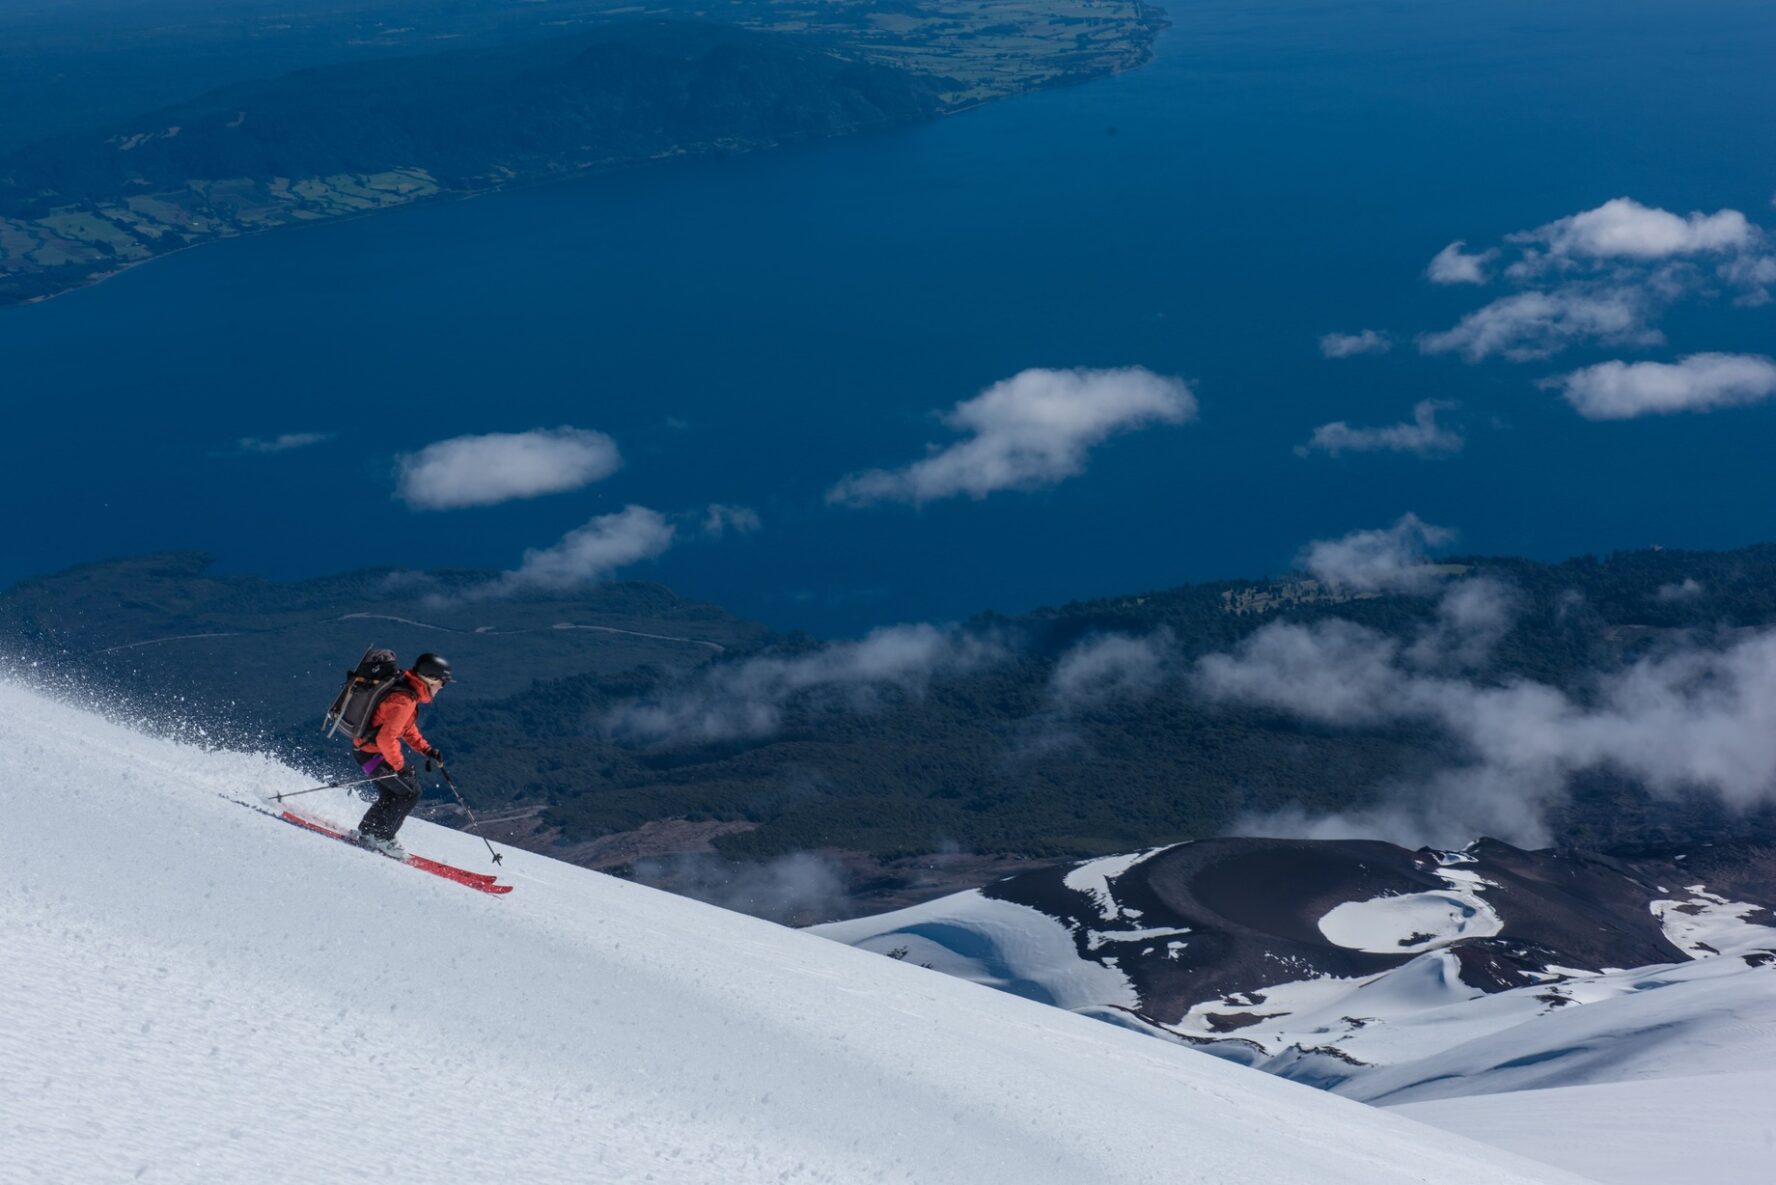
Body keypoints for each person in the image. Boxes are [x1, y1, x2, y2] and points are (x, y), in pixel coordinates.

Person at [350, 652, 453, 857]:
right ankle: (382, 838)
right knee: (409, 792)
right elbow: (386, 739)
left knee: (393, 793)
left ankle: (368, 832)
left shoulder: (407, 692)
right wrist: (400, 767)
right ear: (430, 679)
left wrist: (426, 749)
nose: (442, 687)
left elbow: (406, 728)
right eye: (442, 683)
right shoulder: (404, 700)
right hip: (372, 755)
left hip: (365, 752)